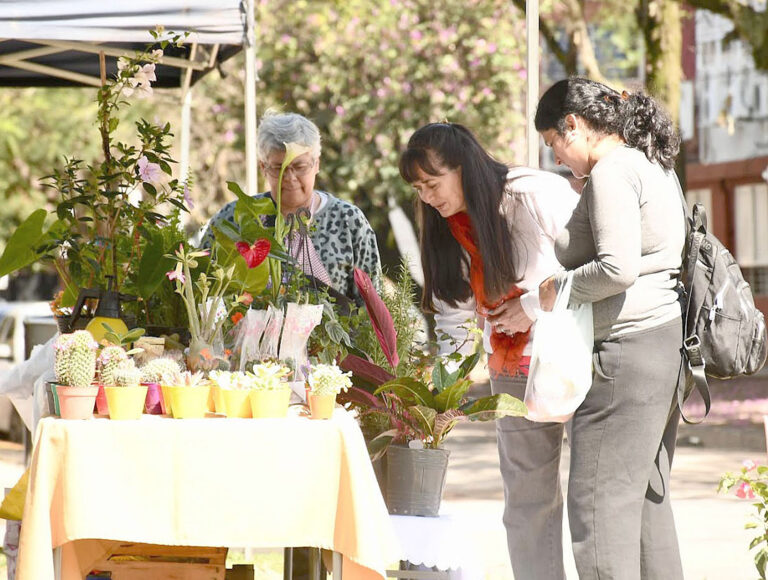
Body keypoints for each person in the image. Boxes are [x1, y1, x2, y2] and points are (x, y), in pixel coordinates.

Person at [399, 122, 579, 580]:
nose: (427, 197)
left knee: (591, 496)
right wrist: (445, 391)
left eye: (433, 183)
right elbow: (453, 316)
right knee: (526, 499)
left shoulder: (533, 195)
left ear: (464, 168)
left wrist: (529, 309)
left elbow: (586, 271)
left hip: (575, 357)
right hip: (511, 370)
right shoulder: (445, 229)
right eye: (418, 188)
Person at [532, 77, 686, 579]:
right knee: (645, 506)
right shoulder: (652, 164)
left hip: (623, 356)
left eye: (555, 144)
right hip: (661, 348)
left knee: (596, 509)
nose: (556, 157)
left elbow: (617, 269)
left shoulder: (613, 174)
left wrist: (562, 289)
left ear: (573, 125)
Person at [201, 111, 381, 304]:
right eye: (279, 168)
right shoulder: (234, 219)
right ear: (263, 167)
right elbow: (202, 288)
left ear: (316, 164)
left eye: (300, 166)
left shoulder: (347, 220)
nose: (290, 177)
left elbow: (371, 306)